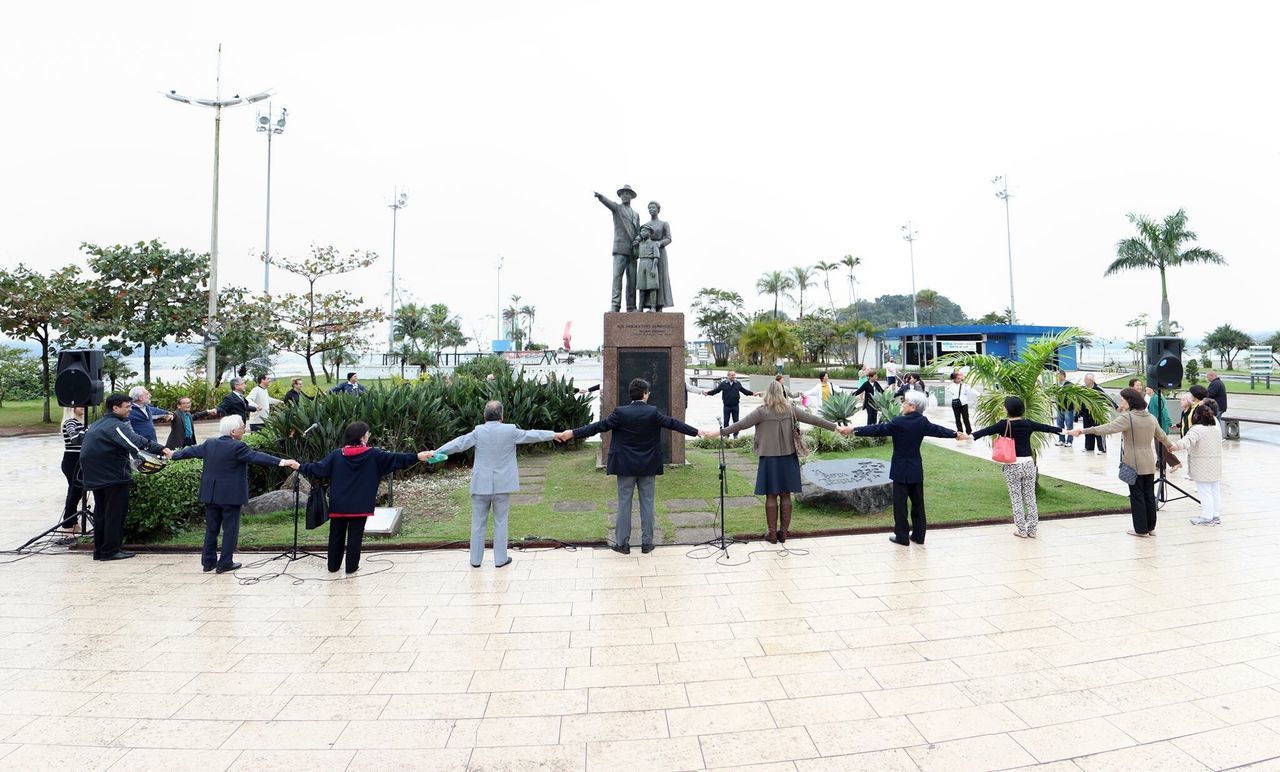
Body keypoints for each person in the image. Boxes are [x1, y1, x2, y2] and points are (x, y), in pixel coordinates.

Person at [556, 378, 699, 554]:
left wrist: (572, 433)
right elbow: (673, 424)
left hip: (625, 467)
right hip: (647, 467)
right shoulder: (653, 412)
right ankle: (647, 544)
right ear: (645, 394)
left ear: (631, 394)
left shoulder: (620, 413)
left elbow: (598, 426)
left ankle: (622, 544)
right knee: (648, 504)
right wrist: (698, 432)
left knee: (624, 504)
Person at [706, 381, 851, 543]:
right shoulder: (791, 409)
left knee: (771, 495)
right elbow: (813, 419)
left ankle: (772, 534)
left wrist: (717, 433)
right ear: (782, 393)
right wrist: (836, 427)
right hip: (788, 458)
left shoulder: (762, 411)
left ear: (768, 393)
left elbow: (740, 425)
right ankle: (783, 532)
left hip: (769, 459)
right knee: (786, 495)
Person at [431, 400, 557, 568]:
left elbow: (458, 443)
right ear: (501, 416)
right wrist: (554, 434)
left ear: (484, 416)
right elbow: (532, 434)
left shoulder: (478, 432)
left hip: (480, 484)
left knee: (477, 524)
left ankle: (475, 561)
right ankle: (500, 559)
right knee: (500, 522)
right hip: (502, 485)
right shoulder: (510, 431)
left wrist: (436, 452)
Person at [170, 415, 299, 573]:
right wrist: (283, 462)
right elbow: (257, 457)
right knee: (230, 530)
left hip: (210, 494)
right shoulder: (238, 447)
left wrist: (173, 455)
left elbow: (190, 451)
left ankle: (208, 562)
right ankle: (225, 563)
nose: (244, 430)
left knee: (211, 529)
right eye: (241, 427)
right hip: (230, 496)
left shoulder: (210, 443)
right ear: (232, 431)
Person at [299, 421, 430, 573]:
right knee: (355, 537)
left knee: (336, 535)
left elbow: (318, 468)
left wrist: (299, 466)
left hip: (339, 504)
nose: (368, 436)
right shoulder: (373, 455)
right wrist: (417, 456)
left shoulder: (336, 455)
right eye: (368, 434)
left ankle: (333, 567)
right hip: (360, 506)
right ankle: (351, 568)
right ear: (362, 437)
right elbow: (396, 459)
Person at [853, 390, 967, 545]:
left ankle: (902, 537)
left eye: (905, 402)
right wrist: (954, 434)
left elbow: (877, 429)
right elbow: (938, 430)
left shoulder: (898, 422)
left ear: (913, 407)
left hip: (900, 470)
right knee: (918, 504)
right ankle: (919, 536)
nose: (903, 404)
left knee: (900, 506)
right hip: (915, 469)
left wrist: (854, 430)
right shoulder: (923, 422)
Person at [1069, 387, 1174, 537]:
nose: (1121, 402)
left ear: (1130, 401)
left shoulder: (1128, 418)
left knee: (1137, 496)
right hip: (1149, 462)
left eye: (1123, 399)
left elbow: (1107, 428)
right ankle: (1151, 528)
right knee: (1149, 495)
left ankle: (1140, 530)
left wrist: (1083, 431)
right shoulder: (1151, 417)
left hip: (1134, 463)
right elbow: (1162, 436)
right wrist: (1171, 446)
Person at [79, 393, 172, 561]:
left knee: (102, 513)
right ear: (115, 408)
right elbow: (134, 443)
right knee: (115, 514)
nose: (130, 409)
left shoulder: (98, 423)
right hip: (112, 475)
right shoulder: (115, 425)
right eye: (127, 407)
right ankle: (111, 551)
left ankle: (100, 550)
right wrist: (161, 449)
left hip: (96, 475)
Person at [970, 396, 1063, 538]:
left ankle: (1021, 530)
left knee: (1016, 498)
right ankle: (1032, 529)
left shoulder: (1003, 425)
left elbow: (985, 431)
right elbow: (1046, 428)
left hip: (1012, 466)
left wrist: (968, 436)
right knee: (1030, 497)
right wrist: (1065, 431)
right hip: (1028, 465)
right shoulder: (1028, 423)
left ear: (1007, 409)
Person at [1169, 404, 1224, 526]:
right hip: (1216, 463)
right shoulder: (1216, 427)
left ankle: (1207, 517)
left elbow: (1186, 441)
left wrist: (1174, 446)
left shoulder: (1197, 429)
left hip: (1202, 464)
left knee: (1204, 491)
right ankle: (1215, 515)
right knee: (1215, 490)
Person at [595, 185, 640, 313]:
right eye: (623, 194)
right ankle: (615, 305)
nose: (625, 195)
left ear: (631, 196)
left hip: (632, 251)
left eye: (627, 193)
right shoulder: (617, 208)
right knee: (617, 277)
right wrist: (600, 197)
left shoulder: (636, 214)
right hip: (620, 248)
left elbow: (638, 231)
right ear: (620, 196)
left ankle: (631, 306)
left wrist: (638, 242)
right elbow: (608, 203)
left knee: (632, 280)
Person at [640, 200, 675, 311]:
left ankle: (659, 305)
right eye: (649, 208)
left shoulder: (664, 223)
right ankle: (648, 305)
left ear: (658, 209)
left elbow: (669, 238)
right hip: (647, 253)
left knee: (660, 277)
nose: (651, 210)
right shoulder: (646, 225)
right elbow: (640, 237)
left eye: (653, 207)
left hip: (660, 252)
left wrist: (660, 243)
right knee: (646, 279)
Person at [59, 406, 87, 531]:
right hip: (72, 460)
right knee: (76, 491)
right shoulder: (71, 422)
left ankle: (70, 520)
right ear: (72, 408)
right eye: (80, 406)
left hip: (77, 459)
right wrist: (87, 430)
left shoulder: (78, 421)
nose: (84, 408)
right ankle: (70, 522)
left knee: (74, 490)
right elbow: (74, 437)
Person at [705, 370, 754, 438]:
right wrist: (708, 393)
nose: (734, 376)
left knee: (736, 421)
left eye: (734, 375)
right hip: (727, 406)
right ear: (728, 376)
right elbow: (716, 391)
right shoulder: (723, 384)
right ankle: (726, 435)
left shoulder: (737, 383)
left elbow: (744, 391)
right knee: (726, 421)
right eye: (732, 375)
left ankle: (735, 435)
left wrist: (752, 393)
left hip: (735, 406)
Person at [945, 371, 974, 435]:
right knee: (957, 418)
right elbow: (950, 391)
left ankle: (969, 431)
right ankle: (960, 431)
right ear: (954, 379)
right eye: (958, 378)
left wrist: (979, 394)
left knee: (966, 418)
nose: (959, 379)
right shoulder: (951, 386)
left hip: (964, 403)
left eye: (959, 378)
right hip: (956, 403)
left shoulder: (963, 385)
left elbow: (971, 390)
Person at [1052, 371, 1075, 447]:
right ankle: (1061, 440)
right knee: (1059, 425)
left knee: (1069, 426)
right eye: (1057, 376)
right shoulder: (1056, 385)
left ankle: (1069, 441)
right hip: (1059, 408)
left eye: (1059, 375)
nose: (1058, 377)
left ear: (1064, 376)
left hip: (1068, 409)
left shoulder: (1070, 385)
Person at [1205, 370, 1228, 436]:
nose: (1207, 379)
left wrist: (1202, 398)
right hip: (1220, 407)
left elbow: (1209, 394)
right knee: (1217, 422)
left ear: (1212, 376)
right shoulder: (1218, 382)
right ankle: (1218, 436)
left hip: (1217, 407)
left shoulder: (1215, 383)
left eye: (1208, 377)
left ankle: (1216, 436)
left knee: (1214, 423)